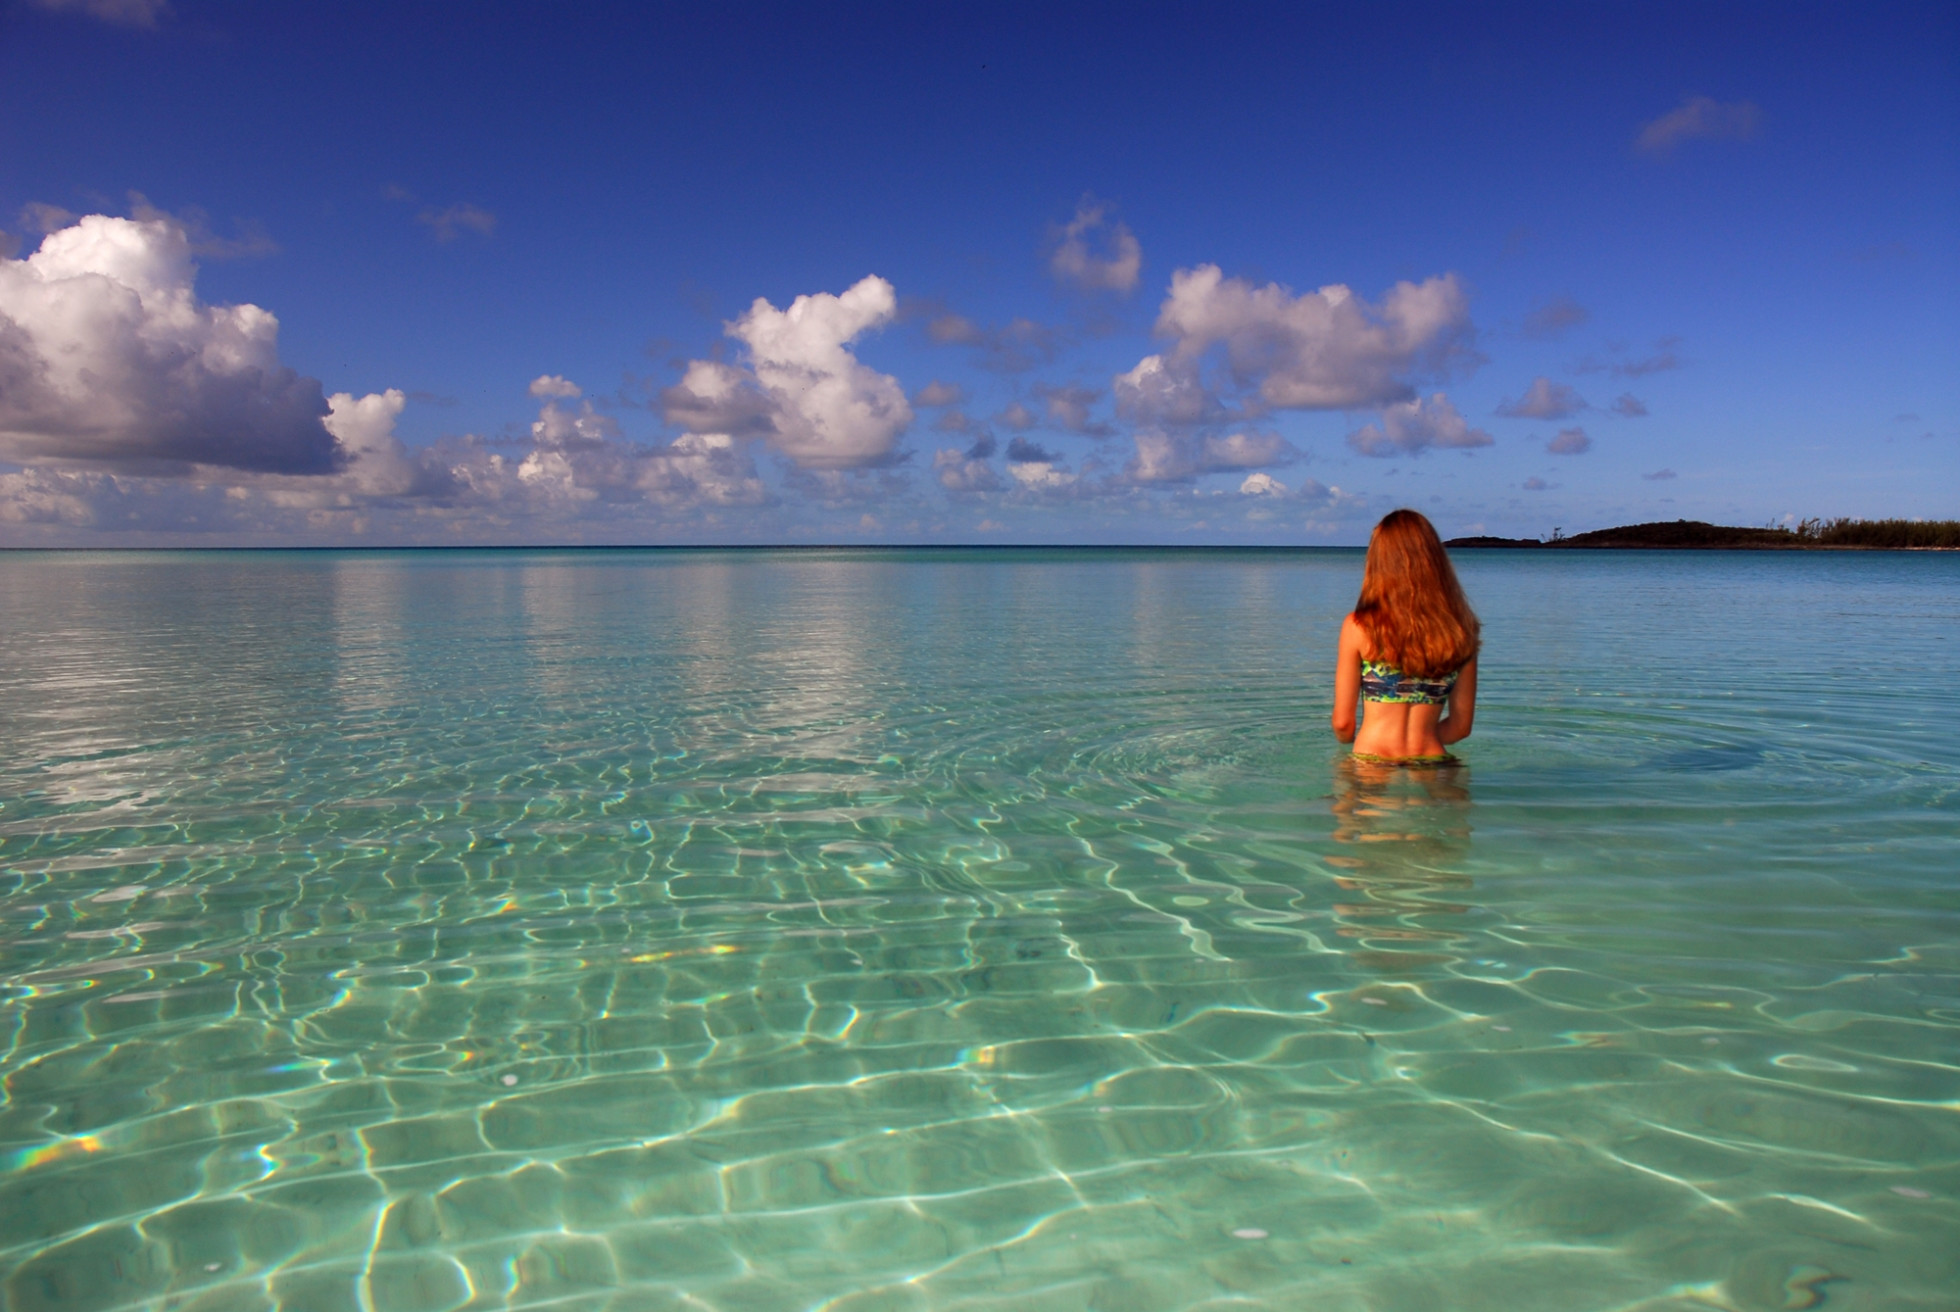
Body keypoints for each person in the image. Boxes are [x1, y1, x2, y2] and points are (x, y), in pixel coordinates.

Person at [1331, 509, 1479, 764]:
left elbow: (1343, 724)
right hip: (1433, 759)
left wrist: (1348, 744)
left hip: (1372, 758)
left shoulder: (1359, 626)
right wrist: (1420, 742)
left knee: (1341, 803)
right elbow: (1460, 727)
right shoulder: (1462, 630)